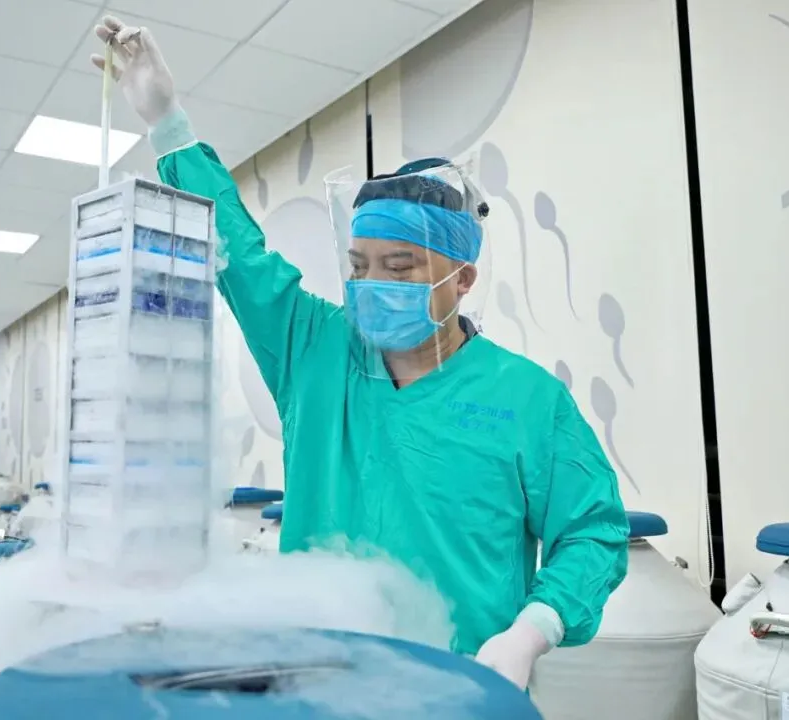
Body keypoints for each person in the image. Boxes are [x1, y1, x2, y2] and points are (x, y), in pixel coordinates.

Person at [91, 17, 630, 691]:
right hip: (315, 685)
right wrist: (167, 122)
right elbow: (240, 255)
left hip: (460, 689)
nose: (372, 284)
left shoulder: (528, 399)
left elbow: (592, 533)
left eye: (399, 268)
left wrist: (532, 630)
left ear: (462, 279)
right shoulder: (314, 350)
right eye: (359, 265)